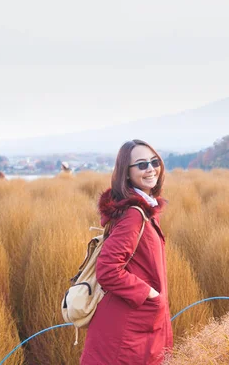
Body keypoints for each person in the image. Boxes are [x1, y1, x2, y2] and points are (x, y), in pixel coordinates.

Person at [81, 139, 173, 364]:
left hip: (139, 323)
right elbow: (108, 270)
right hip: (129, 328)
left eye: (154, 162)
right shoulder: (133, 214)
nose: (150, 169)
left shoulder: (145, 208)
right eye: (141, 165)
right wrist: (151, 295)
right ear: (126, 173)